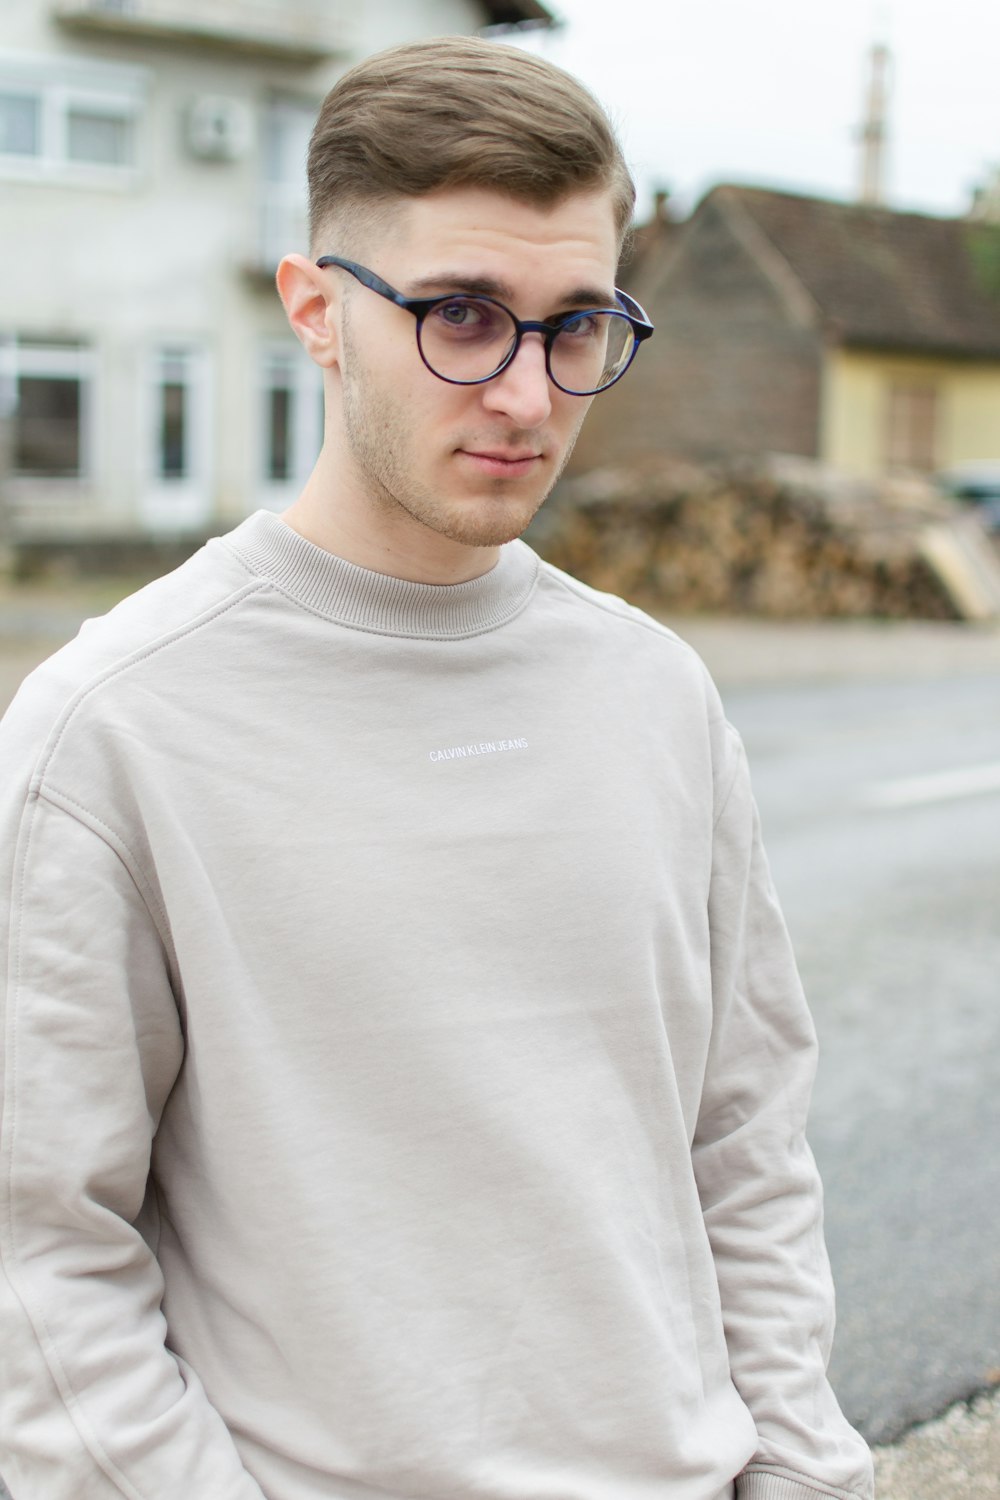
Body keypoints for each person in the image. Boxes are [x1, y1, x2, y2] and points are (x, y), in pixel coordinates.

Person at [0, 34, 874, 1500]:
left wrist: (802, 1469)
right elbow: (38, 1259)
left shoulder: (654, 693)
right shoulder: (116, 730)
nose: (529, 394)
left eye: (576, 323)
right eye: (461, 315)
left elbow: (747, 1150)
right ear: (315, 311)